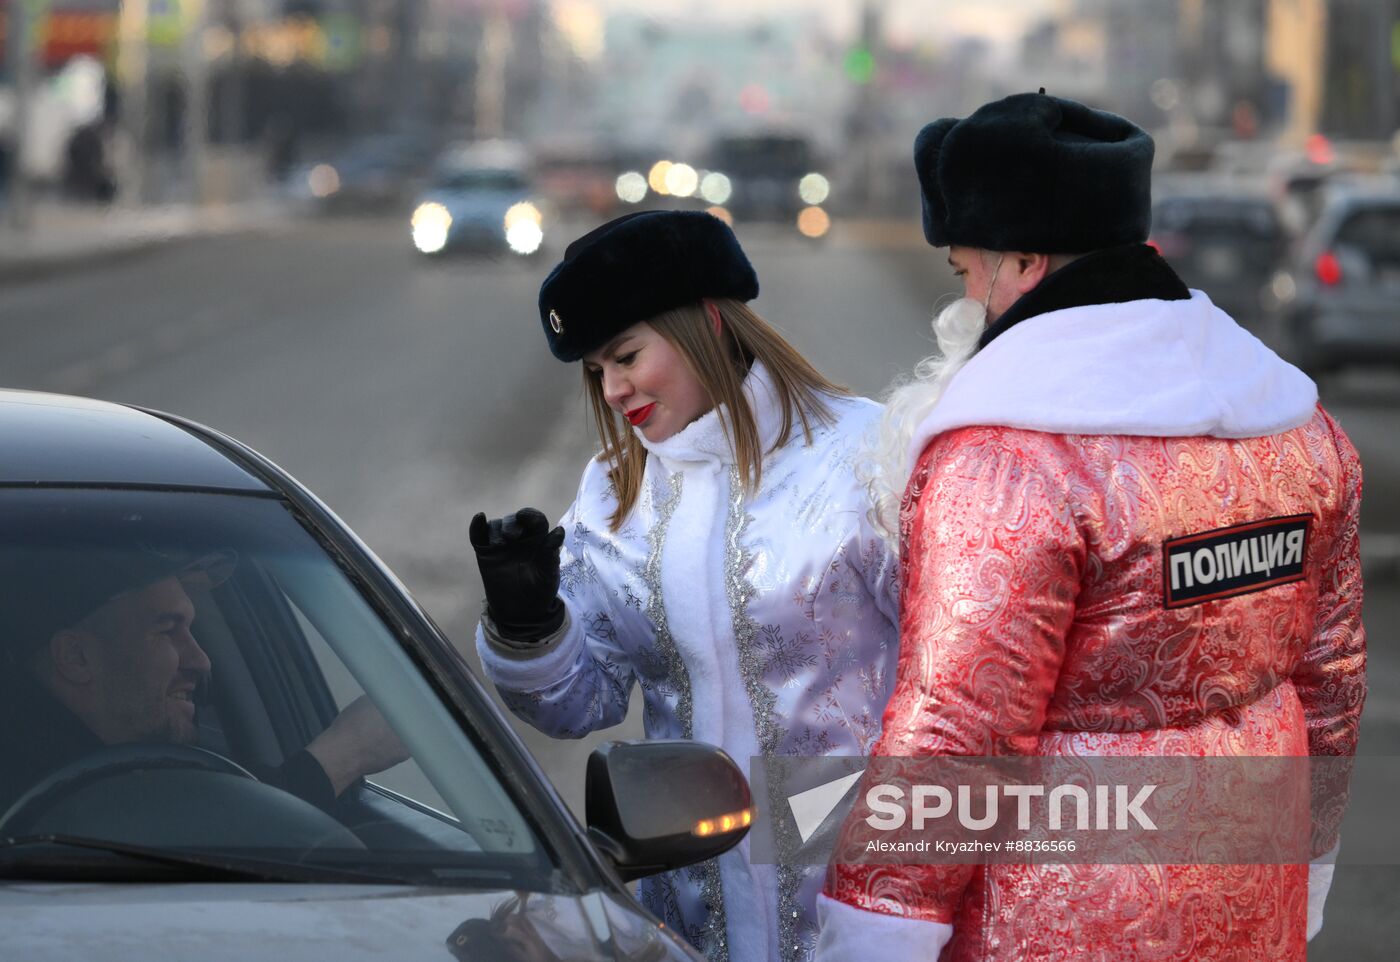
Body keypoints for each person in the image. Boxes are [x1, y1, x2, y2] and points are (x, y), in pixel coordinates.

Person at [816, 92, 1366, 961]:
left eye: (967, 270)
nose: (967, 298)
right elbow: (1332, 683)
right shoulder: (1298, 427)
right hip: (1252, 894)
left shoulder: (1008, 458)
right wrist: (1311, 861)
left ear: (1024, 262)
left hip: (1058, 914)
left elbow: (959, 731)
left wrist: (872, 923)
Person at [470, 210, 901, 962]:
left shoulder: (864, 454)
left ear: (706, 321)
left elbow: (961, 684)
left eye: (626, 355)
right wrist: (530, 626)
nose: (612, 389)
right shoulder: (612, 494)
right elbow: (583, 701)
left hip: (860, 902)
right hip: (687, 917)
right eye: (596, 370)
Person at [0, 547, 407, 816]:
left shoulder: (166, 770)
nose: (201, 659)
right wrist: (346, 753)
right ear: (76, 657)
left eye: (191, 630)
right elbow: (173, 847)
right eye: (166, 630)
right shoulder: (26, 790)